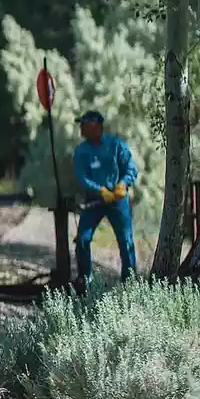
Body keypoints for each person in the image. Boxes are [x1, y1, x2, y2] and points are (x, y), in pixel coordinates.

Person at [72, 110, 138, 283]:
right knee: (83, 240)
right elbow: (82, 176)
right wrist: (100, 190)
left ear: (95, 125)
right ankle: (85, 280)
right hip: (94, 200)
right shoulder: (81, 151)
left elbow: (131, 168)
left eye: (83, 124)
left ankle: (129, 281)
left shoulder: (116, 145)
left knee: (126, 241)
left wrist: (123, 184)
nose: (80, 128)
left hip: (117, 200)